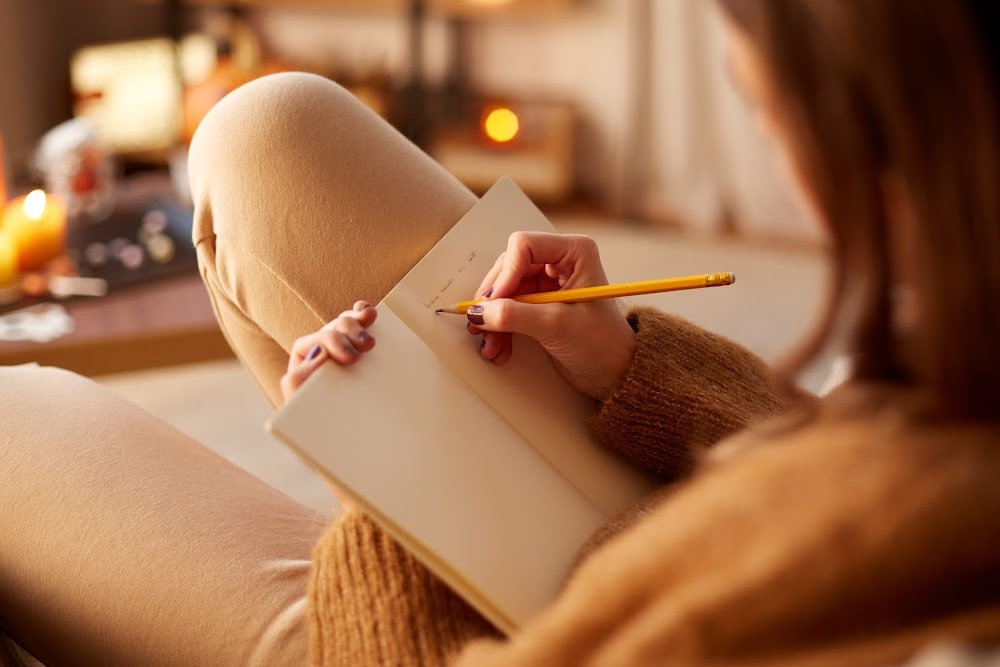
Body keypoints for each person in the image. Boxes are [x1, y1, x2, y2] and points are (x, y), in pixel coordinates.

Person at [2, 0, 1000, 664]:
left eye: (769, 111)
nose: (784, 160)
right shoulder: (953, 382)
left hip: (465, 636)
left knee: (14, 417)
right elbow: (820, 463)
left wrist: (390, 484)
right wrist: (632, 368)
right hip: (641, 522)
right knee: (270, 129)